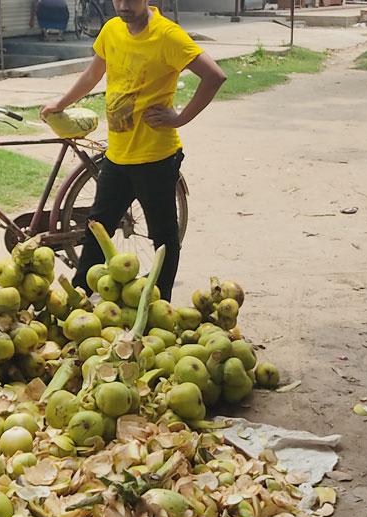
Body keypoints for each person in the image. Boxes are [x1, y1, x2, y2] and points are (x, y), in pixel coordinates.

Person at [42, 0, 226, 301]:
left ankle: (159, 304)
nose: (124, 5)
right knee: (98, 230)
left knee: (163, 237)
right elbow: (93, 74)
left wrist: (179, 118)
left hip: (156, 157)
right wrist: (60, 104)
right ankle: (77, 299)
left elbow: (214, 76)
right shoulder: (112, 30)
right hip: (117, 156)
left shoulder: (167, 35)